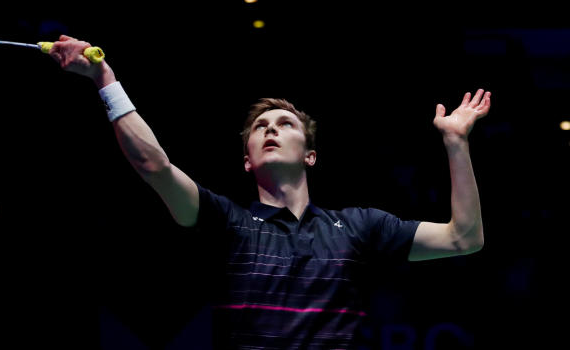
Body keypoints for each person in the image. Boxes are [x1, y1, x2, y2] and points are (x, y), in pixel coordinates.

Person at [49, 35, 491, 349]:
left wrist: (456, 142)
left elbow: (464, 238)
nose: (270, 130)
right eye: (260, 127)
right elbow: (154, 165)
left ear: (310, 156)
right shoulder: (227, 223)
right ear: (247, 160)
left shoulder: (361, 226)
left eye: (284, 124)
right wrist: (104, 80)